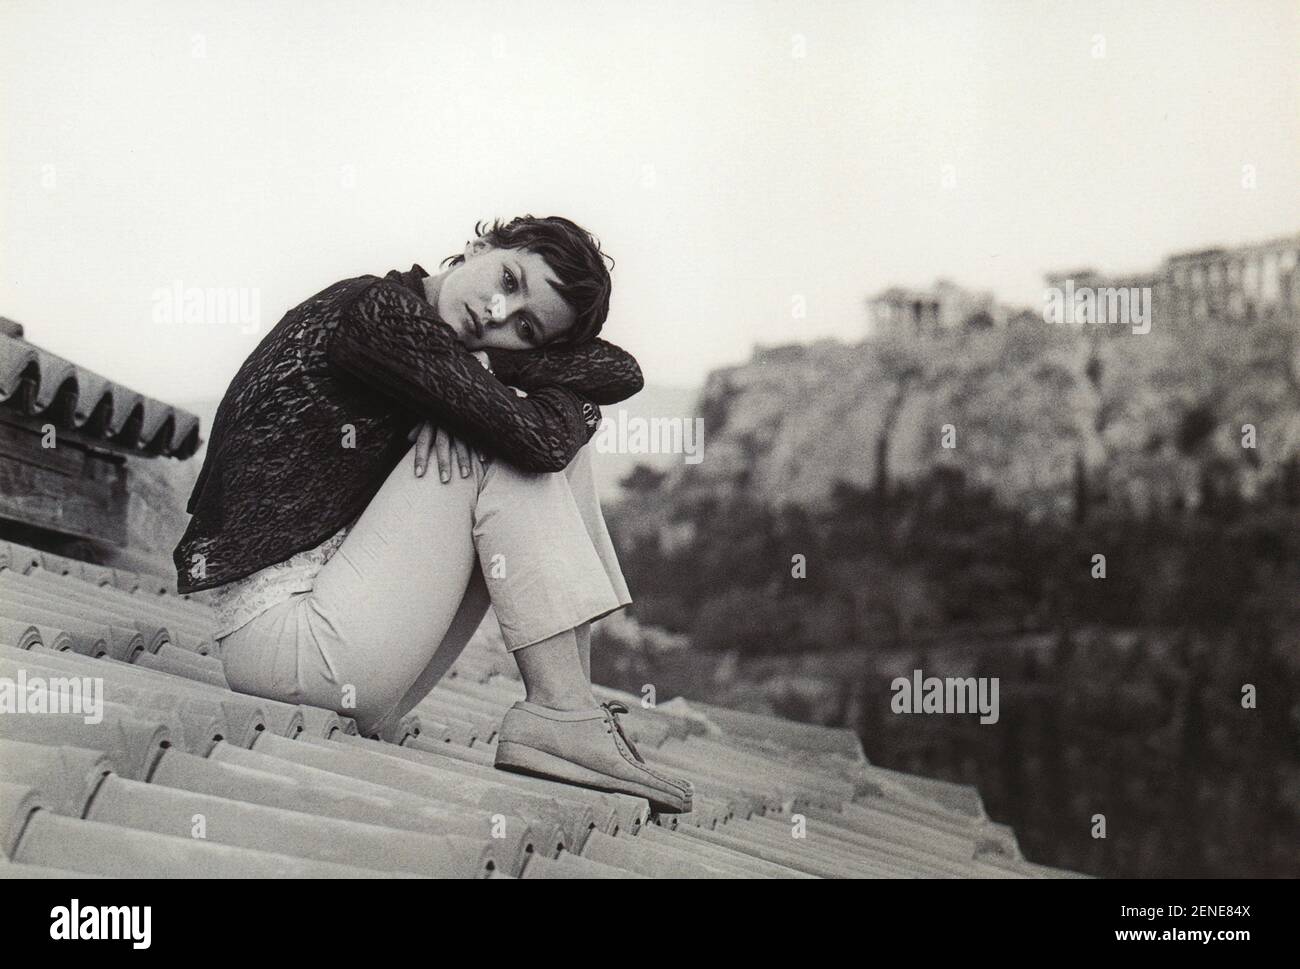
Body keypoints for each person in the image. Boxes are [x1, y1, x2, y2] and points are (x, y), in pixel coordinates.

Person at [173, 215, 692, 813]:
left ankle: (571, 707)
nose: (498, 312)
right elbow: (543, 442)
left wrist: (497, 376)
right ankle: (563, 712)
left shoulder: (442, 350)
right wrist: (499, 396)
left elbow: (621, 372)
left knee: (520, 436)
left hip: (361, 656)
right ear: (479, 246)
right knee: (510, 446)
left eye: (525, 326)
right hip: (285, 650)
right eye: (508, 278)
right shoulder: (377, 313)